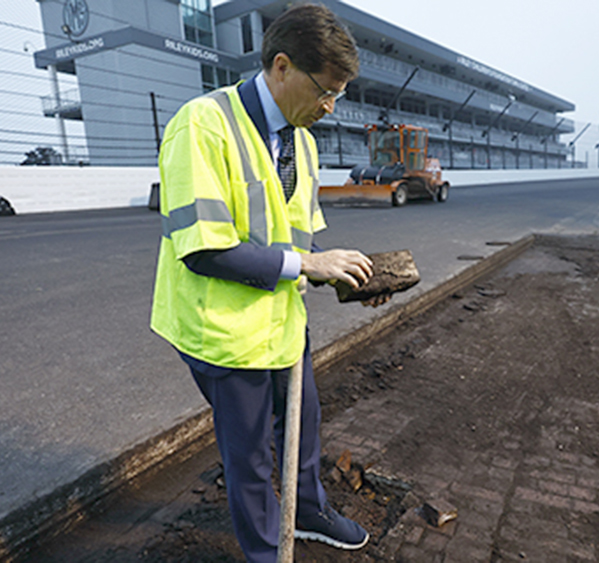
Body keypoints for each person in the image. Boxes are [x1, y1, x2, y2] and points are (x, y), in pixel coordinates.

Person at [150, 5, 378, 561]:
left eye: (338, 95)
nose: (329, 107)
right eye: (325, 91)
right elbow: (203, 249)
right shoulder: (201, 125)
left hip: (280, 321)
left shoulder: (302, 141)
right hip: (222, 330)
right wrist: (307, 266)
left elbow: (299, 242)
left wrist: (346, 276)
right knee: (248, 454)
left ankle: (308, 511)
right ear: (281, 67)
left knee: (303, 424)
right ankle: (266, 549)